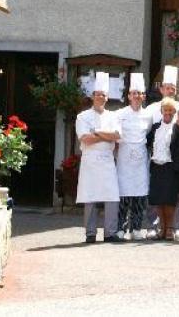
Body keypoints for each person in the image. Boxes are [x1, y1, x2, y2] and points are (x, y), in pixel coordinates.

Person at [75, 72, 125, 243]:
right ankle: (90, 233)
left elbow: (117, 135)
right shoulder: (82, 117)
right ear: (92, 96)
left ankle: (110, 232)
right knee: (89, 196)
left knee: (112, 196)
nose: (100, 97)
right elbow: (85, 139)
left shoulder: (113, 116)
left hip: (107, 159)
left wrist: (96, 132)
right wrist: (105, 136)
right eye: (97, 94)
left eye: (103, 95)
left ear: (107, 97)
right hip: (90, 160)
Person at [144, 65, 179, 236]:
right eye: (167, 87)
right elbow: (146, 135)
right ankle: (153, 227)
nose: (169, 91)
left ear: (175, 90)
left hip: (173, 162)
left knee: (174, 196)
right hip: (156, 161)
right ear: (161, 89)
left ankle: (177, 227)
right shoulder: (151, 109)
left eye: (172, 88)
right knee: (155, 196)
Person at [115, 73, 153, 240]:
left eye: (140, 93)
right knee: (123, 194)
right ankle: (121, 228)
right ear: (129, 96)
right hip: (124, 160)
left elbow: (148, 132)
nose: (137, 96)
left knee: (139, 195)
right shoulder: (120, 113)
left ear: (143, 97)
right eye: (134, 93)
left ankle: (136, 228)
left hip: (140, 160)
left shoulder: (148, 115)